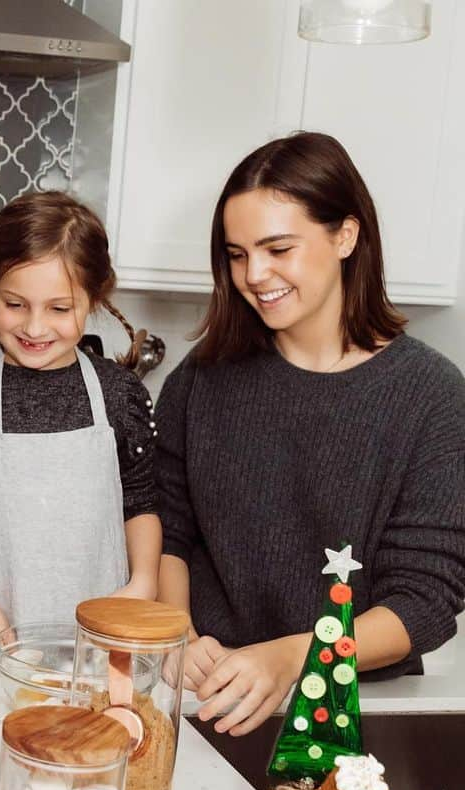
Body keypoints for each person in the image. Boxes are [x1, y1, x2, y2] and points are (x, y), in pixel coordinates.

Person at [156, 132, 465, 736]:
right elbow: (168, 530)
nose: (254, 275)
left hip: (360, 714)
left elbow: (425, 601)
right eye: (237, 254)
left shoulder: (432, 397)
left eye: (277, 249)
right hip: (208, 696)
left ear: (345, 236)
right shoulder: (202, 378)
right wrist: (178, 635)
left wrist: (288, 657)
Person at [0, 191, 160, 671]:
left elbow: (141, 504)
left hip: (95, 659)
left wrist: (143, 582)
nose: (34, 326)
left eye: (59, 309)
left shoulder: (120, 395)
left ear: (94, 300)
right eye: (15, 304)